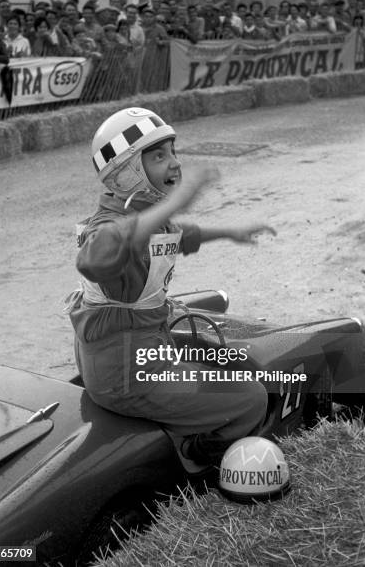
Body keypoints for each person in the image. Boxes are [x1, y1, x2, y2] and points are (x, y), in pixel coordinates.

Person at [66, 107, 274, 467]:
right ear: (127, 172)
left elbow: (177, 236)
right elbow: (94, 257)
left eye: (173, 152)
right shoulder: (109, 229)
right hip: (128, 374)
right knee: (252, 397)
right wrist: (178, 200)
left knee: (206, 356)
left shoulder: (142, 219)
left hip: (132, 359)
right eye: (159, 156)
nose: (175, 163)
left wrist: (230, 232)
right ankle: (194, 455)